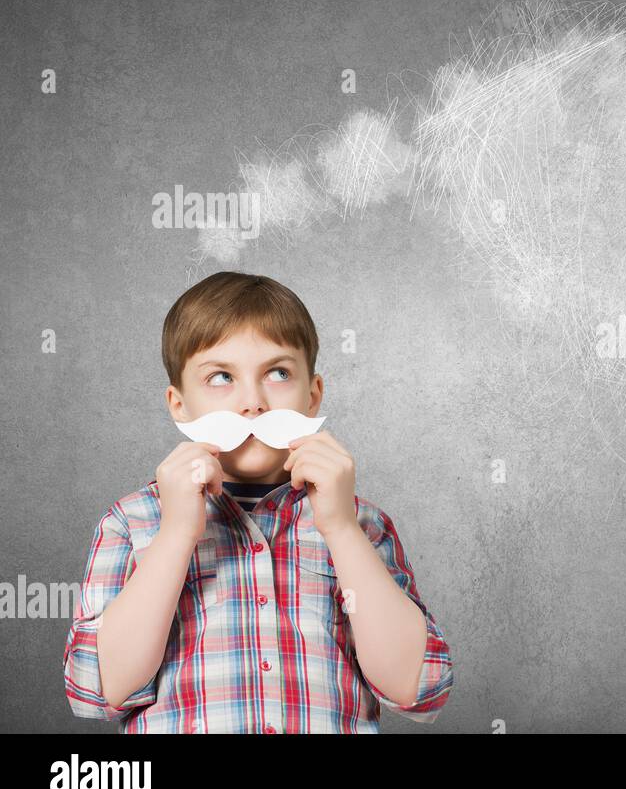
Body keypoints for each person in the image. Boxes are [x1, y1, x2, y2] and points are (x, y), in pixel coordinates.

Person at [61, 271, 452, 732]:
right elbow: (94, 691)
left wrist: (341, 530)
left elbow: (420, 693)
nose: (253, 402)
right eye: (221, 377)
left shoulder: (364, 524)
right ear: (179, 405)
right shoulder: (131, 523)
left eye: (278, 373)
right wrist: (176, 535)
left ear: (312, 396)